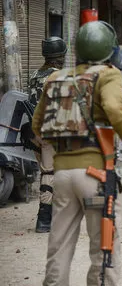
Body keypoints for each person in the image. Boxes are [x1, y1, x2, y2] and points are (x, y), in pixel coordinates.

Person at [32, 21, 122, 285]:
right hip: (95, 176)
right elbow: (115, 108)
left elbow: (37, 125)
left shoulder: (56, 77)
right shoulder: (108, 74)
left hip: (61, 176)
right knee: (104, 246)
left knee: (59, 245)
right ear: (109, 50)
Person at [27, 37, 67, 233]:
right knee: (52, 173)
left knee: (48, 173)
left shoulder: (35, 75)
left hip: (36, 132)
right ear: (61, 55)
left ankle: (50, 216)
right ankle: (44, 219)